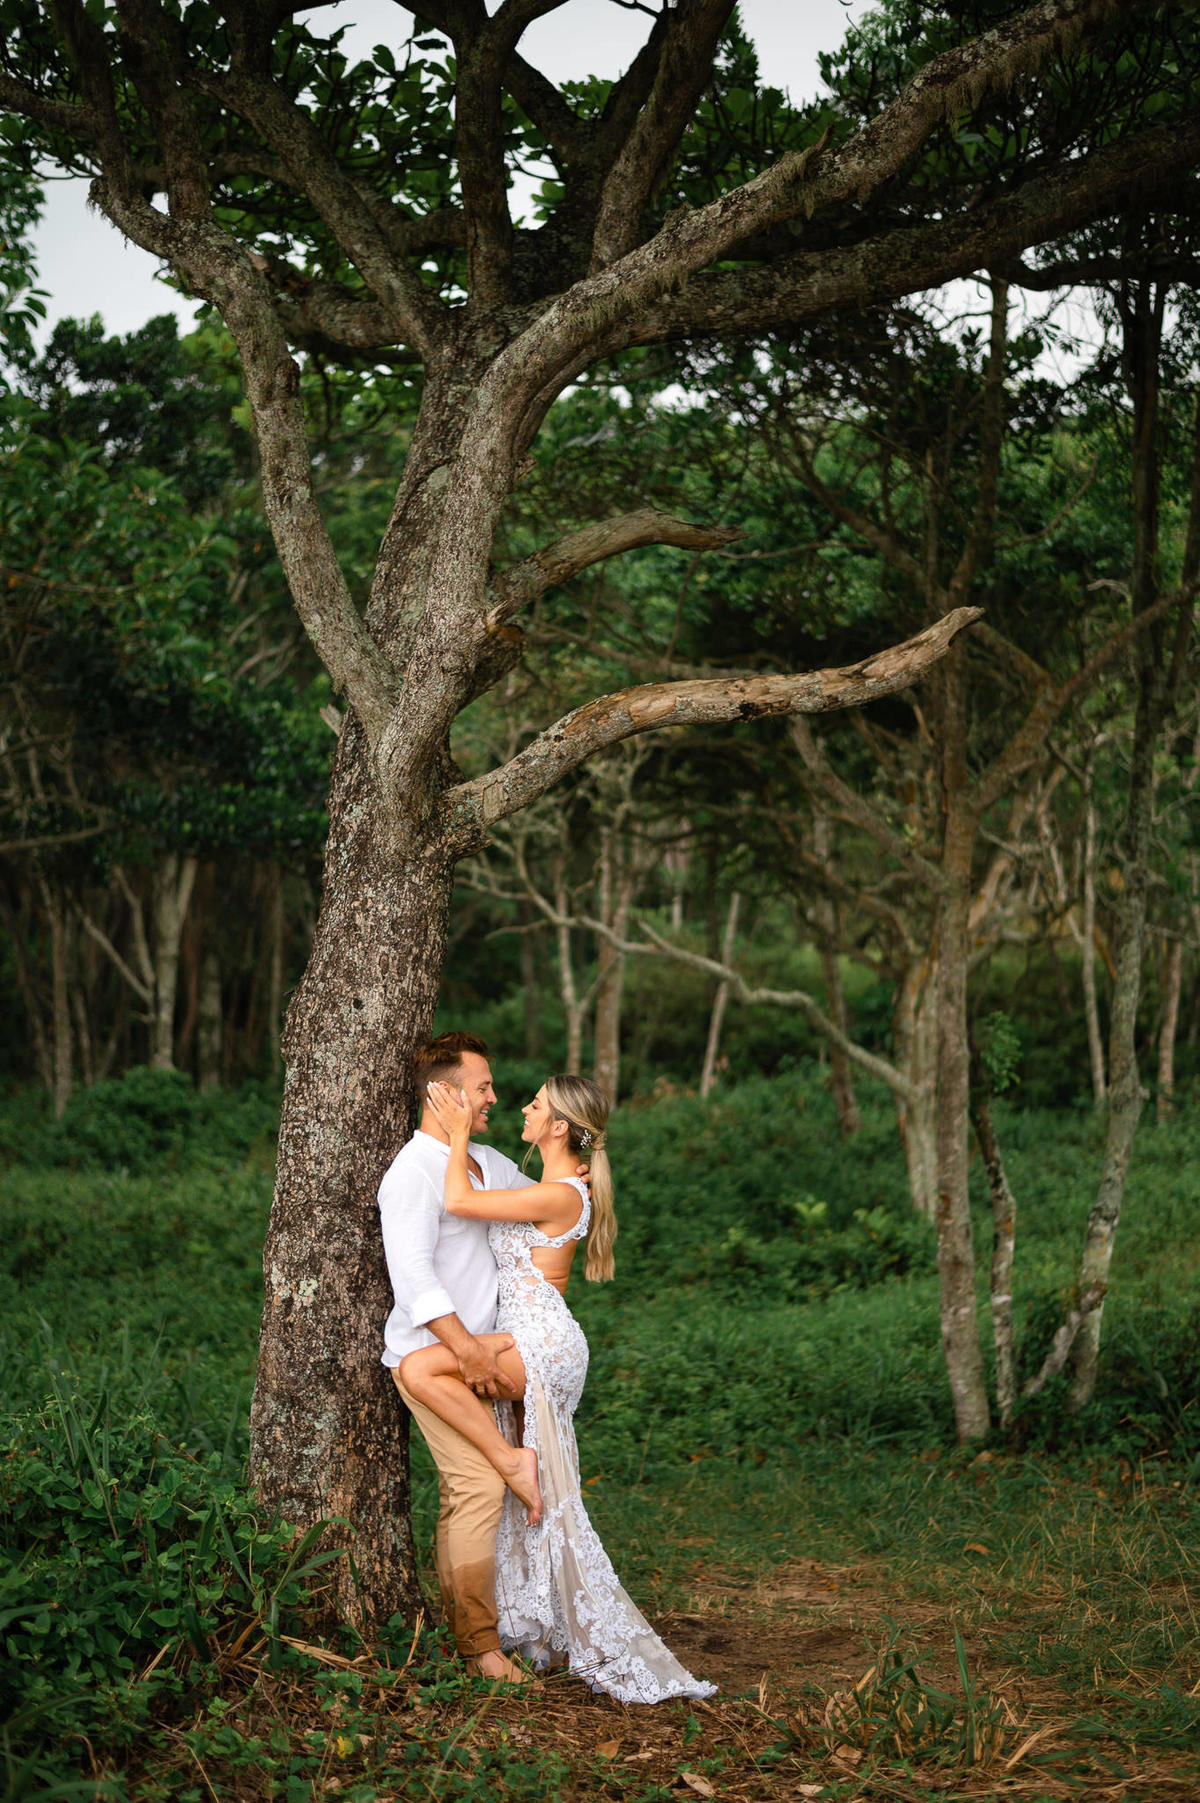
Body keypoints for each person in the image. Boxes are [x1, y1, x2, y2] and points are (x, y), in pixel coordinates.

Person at [400, 1073, 716, 1705]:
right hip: (525, 1335)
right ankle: (529, 1622)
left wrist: (456, 1132)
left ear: (559, 1127)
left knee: (420, 1368)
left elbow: (458, 1198)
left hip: (542, 1341)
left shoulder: (559, 1194)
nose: (522, 1107)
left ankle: (509, 1464)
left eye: (536, 1104)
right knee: (427, 1377)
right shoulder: (550, 1185)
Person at [378, 1030, 537, 1684]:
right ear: (442, 1095)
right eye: (483, 1087)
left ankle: (482, 1634)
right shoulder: (411, 1174)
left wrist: (576, 1165)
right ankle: (480, 1650)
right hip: (432, 1360)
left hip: (482, 1359)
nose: (494, 1097)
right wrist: (468, 1350)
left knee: (471, 1492)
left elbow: (543, 1203)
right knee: (476, 1487)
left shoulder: (486, 1164)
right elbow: (413, 1277)